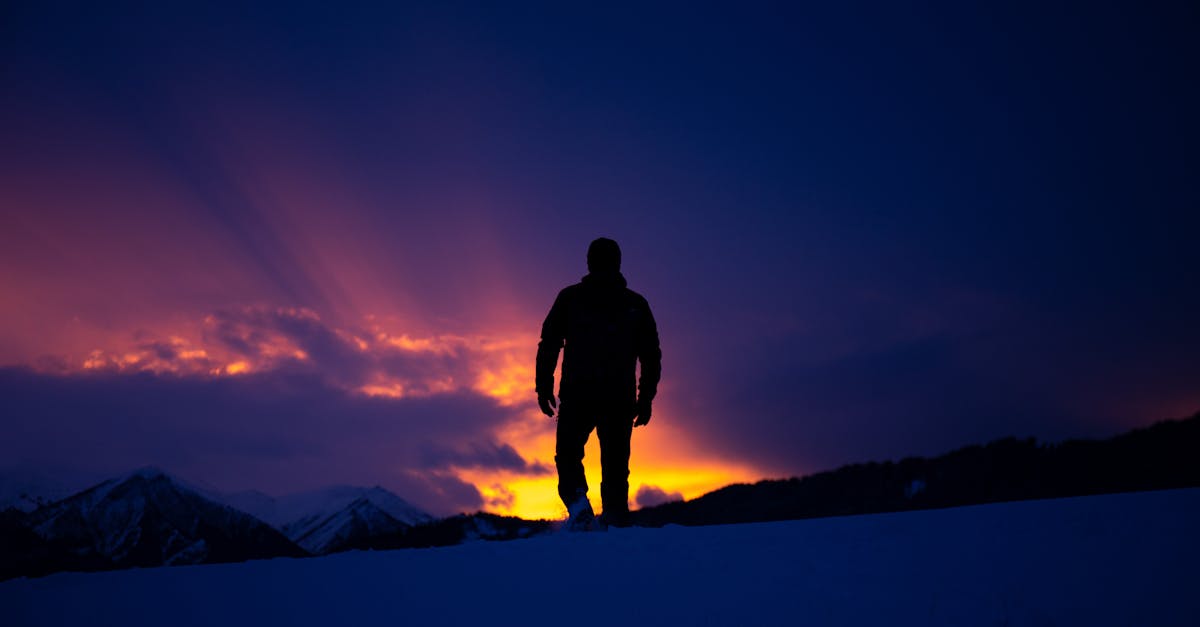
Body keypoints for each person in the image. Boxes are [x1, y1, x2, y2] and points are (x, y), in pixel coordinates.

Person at [535, 237, 662, 529]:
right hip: (618, 398)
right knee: (615, 469)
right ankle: (612, 525)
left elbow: (549, 344)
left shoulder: (571, 298)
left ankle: (580, 507)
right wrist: (645, 399)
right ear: (618, 263)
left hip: (579, 394)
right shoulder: (634, 304)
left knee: (568, 456)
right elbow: (651, 355)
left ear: (589, 263)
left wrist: (543, 386)